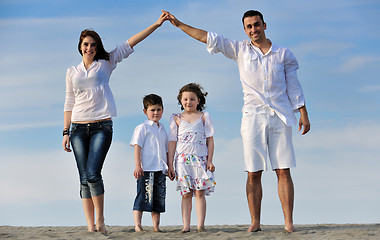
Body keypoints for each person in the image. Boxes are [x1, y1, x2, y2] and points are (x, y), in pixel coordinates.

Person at [163, 10, 310, 233]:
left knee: (283, 170)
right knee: (253, 172)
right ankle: (255, 222)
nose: (254, 30)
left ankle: (288, 223)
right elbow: (208, 37)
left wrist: (303, 113)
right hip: (252, 117)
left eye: (257, 25)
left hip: (280, 116)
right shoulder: (240, 49)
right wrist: (179, 24)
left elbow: (294, 86)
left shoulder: (283, 54)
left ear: (264, 25)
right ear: (245, 30)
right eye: (249, 26)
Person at [62, 12, 169, 234]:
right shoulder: (72, 72)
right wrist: (65, 131)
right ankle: (90, 226)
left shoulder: (106, 62)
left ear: (97, 46)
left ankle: (100, 218)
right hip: (78, 128)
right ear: (80, 46)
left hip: (102, 126)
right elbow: (69, 102)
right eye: (85, 44)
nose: (89, 48)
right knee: (83, 178)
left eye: (93, 44)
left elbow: (131, 42)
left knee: (93, 173)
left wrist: (156, 25)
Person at [168, 83, 216, 233]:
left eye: (192, 99)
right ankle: (186, 226)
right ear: (181, 101)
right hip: (182, 161)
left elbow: (210, 140)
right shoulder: (176, 118)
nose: (188, 102)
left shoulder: (204, 117)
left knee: (200, 192)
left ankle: (200, 226)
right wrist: (170, 164)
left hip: (200, 159)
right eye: (185, 99)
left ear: (199, 101)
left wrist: (209, 160)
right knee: (186, 193)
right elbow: (172, 142)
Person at [130, 94, 173, 232]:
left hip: (160, 169)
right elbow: (137, 146)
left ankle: (156, 227)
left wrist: (169, 167)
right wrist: (138, 165)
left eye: (158, 109)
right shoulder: (142, 128)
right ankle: (138, 225)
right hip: (146, 168)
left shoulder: (163, 129)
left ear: (162, 110)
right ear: (145, 111)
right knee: (142, 196)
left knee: (158, 199)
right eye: (152, 110)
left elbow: (166, 150)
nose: (156, 113)